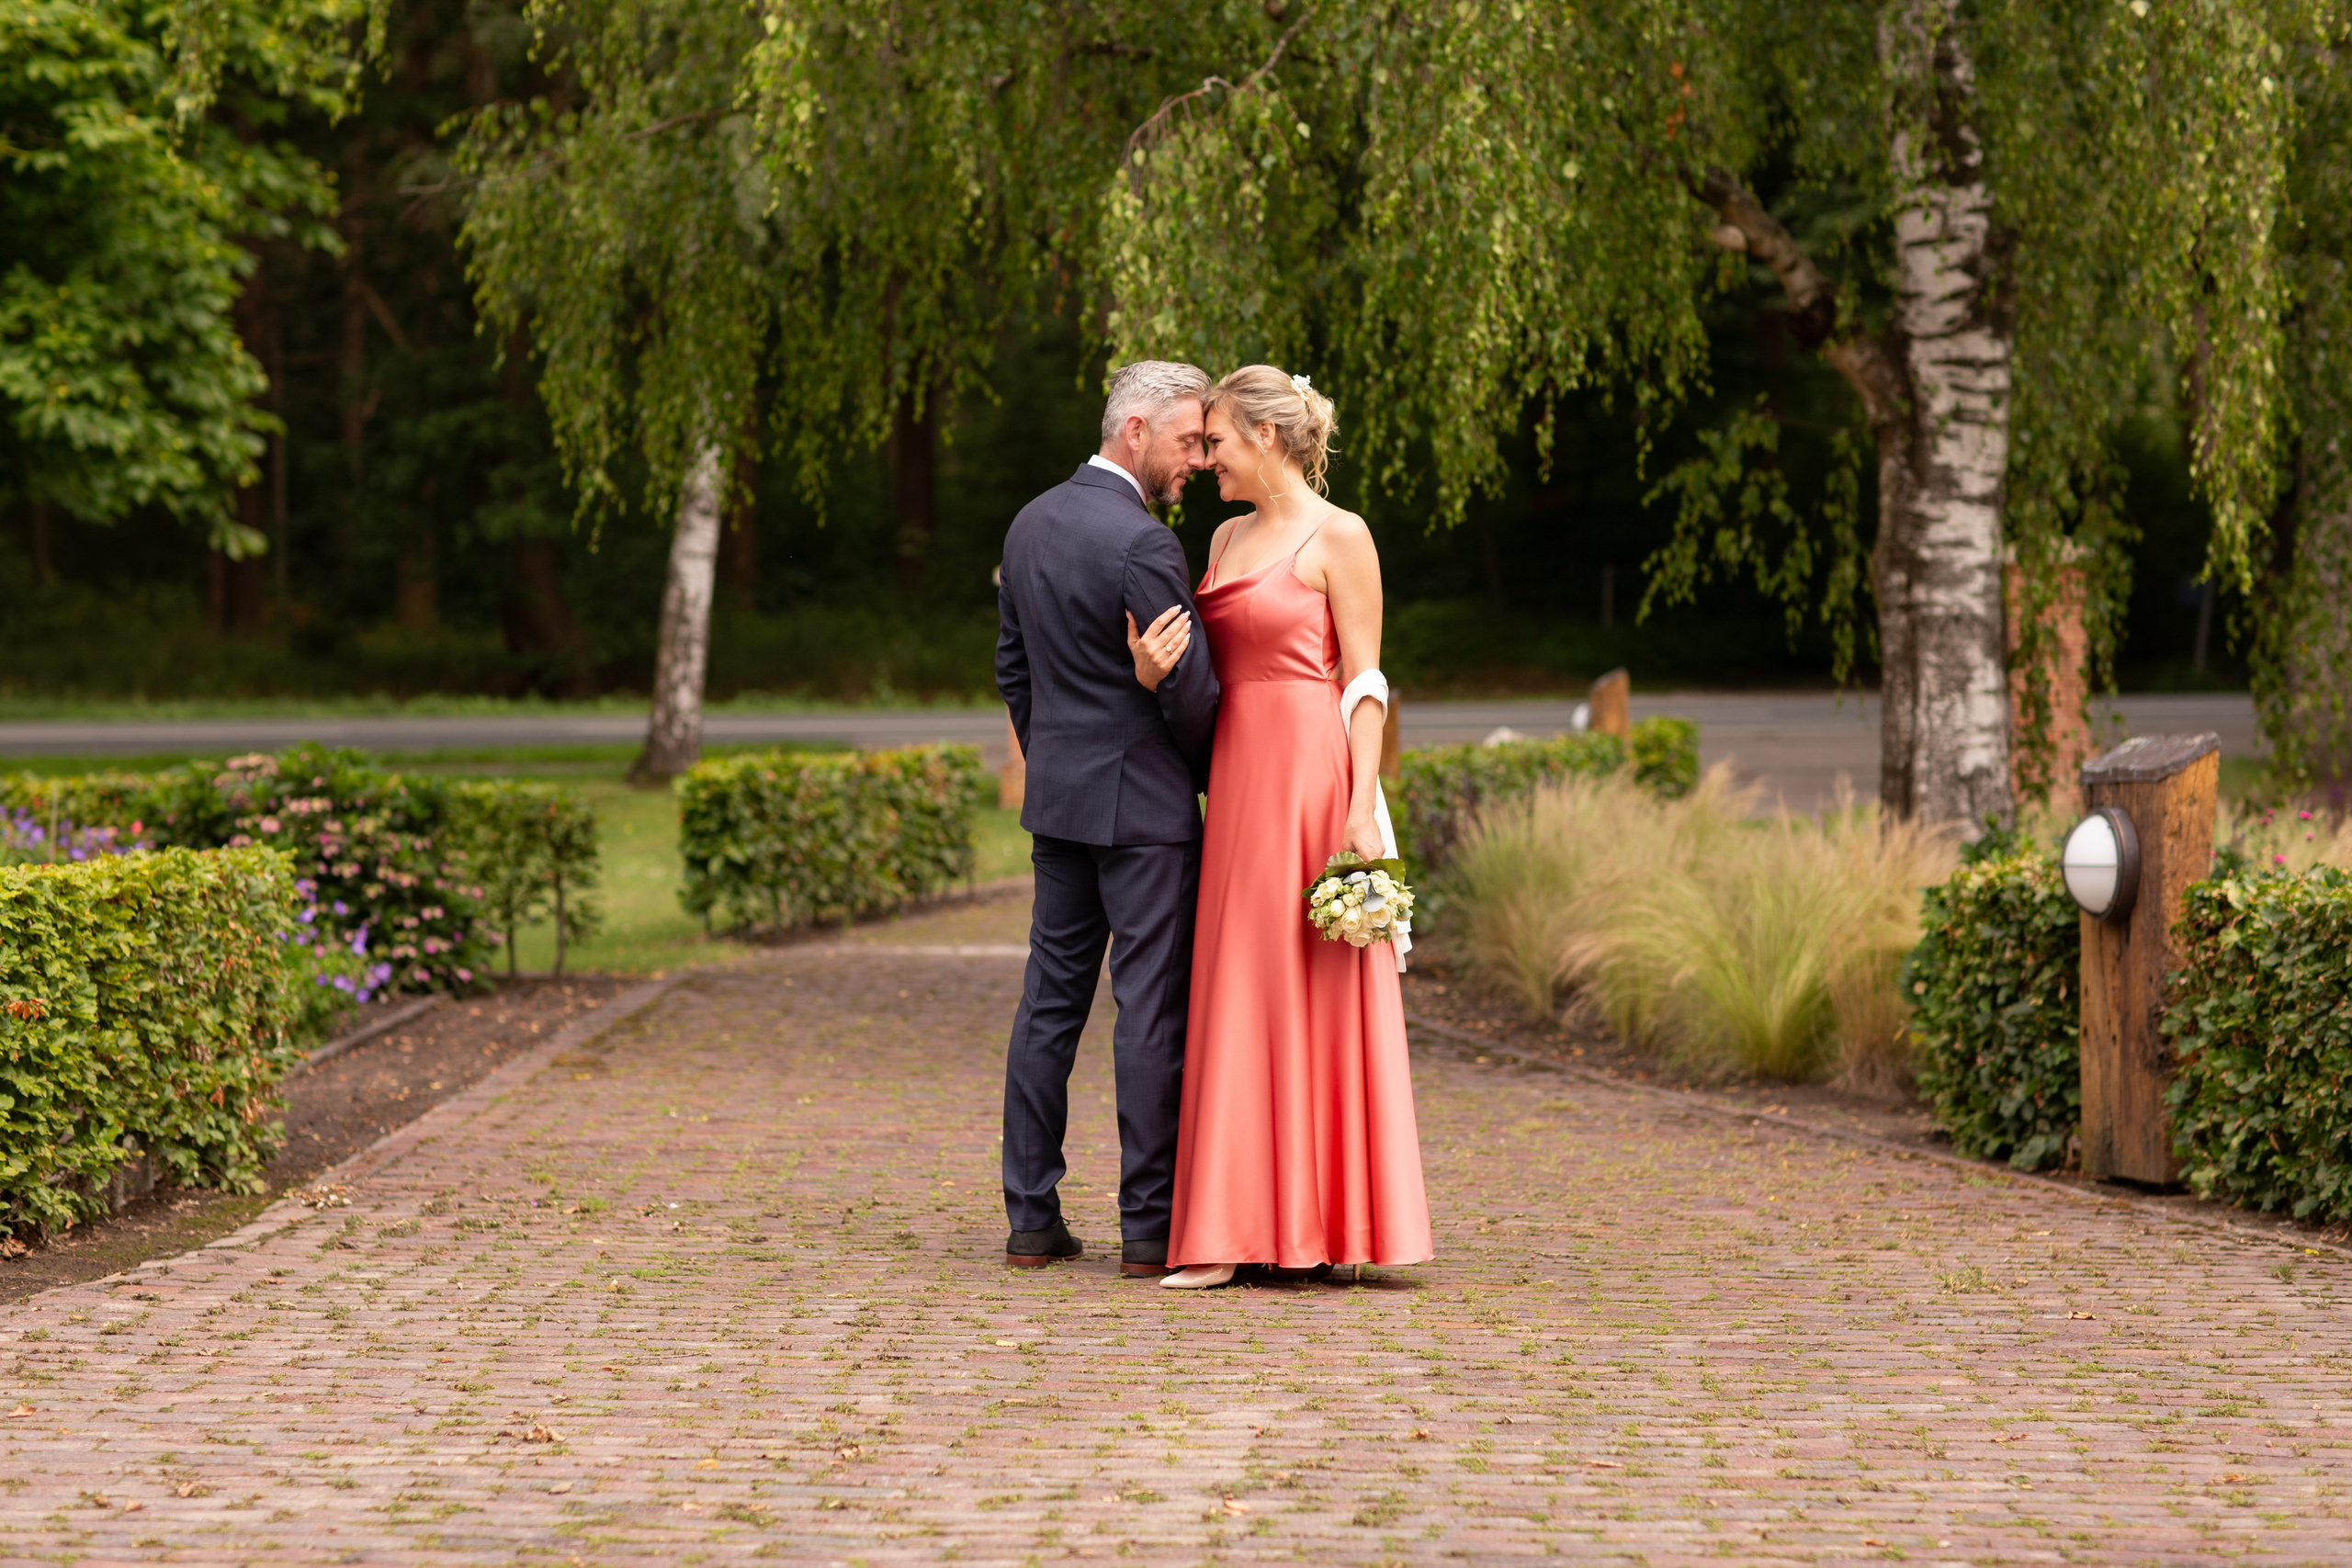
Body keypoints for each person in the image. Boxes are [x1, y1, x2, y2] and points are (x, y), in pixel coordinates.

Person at [1134, 364, 1434, 1291]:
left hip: (1311, 776)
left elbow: (1366, 682)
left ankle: (1333, 1223)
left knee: (1314, 984)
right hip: (1237, 781)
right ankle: (1227, 1231)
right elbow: (1199, 667)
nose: (1207, 460)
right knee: (1238, 984)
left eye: (1217, 441)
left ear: (1265, 437)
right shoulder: (1222, 537)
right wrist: (1150, 672)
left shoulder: (1343, 535)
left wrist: (1359, 803)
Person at [995, 360, 1219, 1276]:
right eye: (1187, 440)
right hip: (1146, 816)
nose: (1197, 459)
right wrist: (1212, 782)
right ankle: (1148, 1228)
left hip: (1060, 806)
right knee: (1148, 1009)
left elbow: (1013, 669)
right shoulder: (1143, 544)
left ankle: (1030, 1218)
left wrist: (1054, 760)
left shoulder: (1029, 523)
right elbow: (1189, 691)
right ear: (1135, 431)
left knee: (1048, 1005)